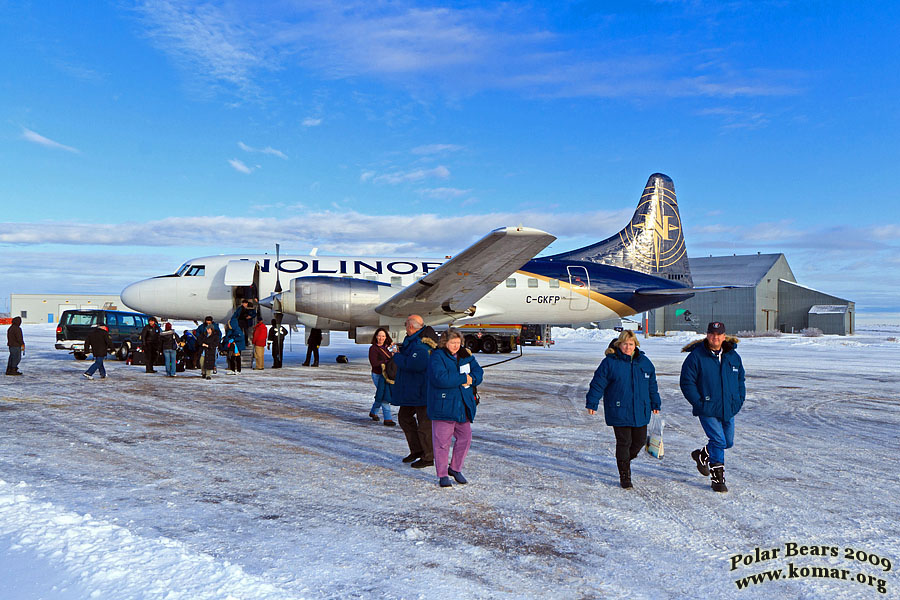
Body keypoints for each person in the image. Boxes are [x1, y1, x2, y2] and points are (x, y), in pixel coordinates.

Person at [585, 330, 661, 489]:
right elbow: (598, 383)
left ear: (636, 345)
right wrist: (592, 402)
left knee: (639, 442)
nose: (628, 347)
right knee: (624, 442)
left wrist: (655, 403)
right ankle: (625, 475)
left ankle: (624, 460)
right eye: (625, 344)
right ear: (619, 345)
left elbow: (652, 386)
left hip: (641, 409)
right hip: (619, 409)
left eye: (631, 344)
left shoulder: (645, 362)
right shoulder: (610, 363)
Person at [680, 321, 746, 493]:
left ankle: (702, 455)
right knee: (718, 440)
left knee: (728, 442)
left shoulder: (733, 356)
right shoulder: (696, 356)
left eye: (719, 335)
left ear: (724, 336)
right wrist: (699, 402)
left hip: (728, 407)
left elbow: (740, 380)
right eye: (712, 334)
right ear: (707, 335)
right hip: (707, 407)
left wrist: (738, 400)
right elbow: (687, 382)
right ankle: (718, 479)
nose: (715, 338)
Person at [427, 329, 483, 487]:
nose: (456, 346)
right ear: (445, 342)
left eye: (458, 343)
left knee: (465, 438)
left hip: (462, 405)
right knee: (442, 443)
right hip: (443, 406)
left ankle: (455, 468)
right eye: (453, 343)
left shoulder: (466, 355)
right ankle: (442, 474)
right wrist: (464, 378)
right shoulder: (437, 356)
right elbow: (440, 379)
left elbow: (478, 372)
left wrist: (472, 379)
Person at [391, 315, 436, 469]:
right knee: (404, 417)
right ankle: (417, 450)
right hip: (412, 391)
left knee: (424, 424)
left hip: (421, 391)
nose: (404, 327)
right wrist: (400, 351)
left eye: (405, 324)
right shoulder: (413, 341)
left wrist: (396, 356)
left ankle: (428, 456)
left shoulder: (420, 344)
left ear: (411, 326)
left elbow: (414, 364)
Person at [367, 327, 395, 426]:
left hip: (387, 375)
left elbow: (396, 356)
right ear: (376, 336)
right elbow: (374, 363)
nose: (381, 338)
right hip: (378, 375)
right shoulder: (373, 349)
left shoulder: (389, 347)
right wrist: (387, 362)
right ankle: (388, 419)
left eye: (383, 336)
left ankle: (373, 412)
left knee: (381, 394)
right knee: (383, 395)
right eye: (379, 336)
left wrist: (395, 350)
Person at [197, 316, 220, 380]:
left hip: (210, 351)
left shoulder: (215, 335)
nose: (208, 331)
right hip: (203, 351)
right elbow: (199, 338)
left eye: (209, 329)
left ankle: (208, 374)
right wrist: (202, 344)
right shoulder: (203, 333)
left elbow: (216, 342)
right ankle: (203, 372)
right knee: (202, 362)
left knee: (210, 362)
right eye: (207, 329)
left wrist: (209, 346)